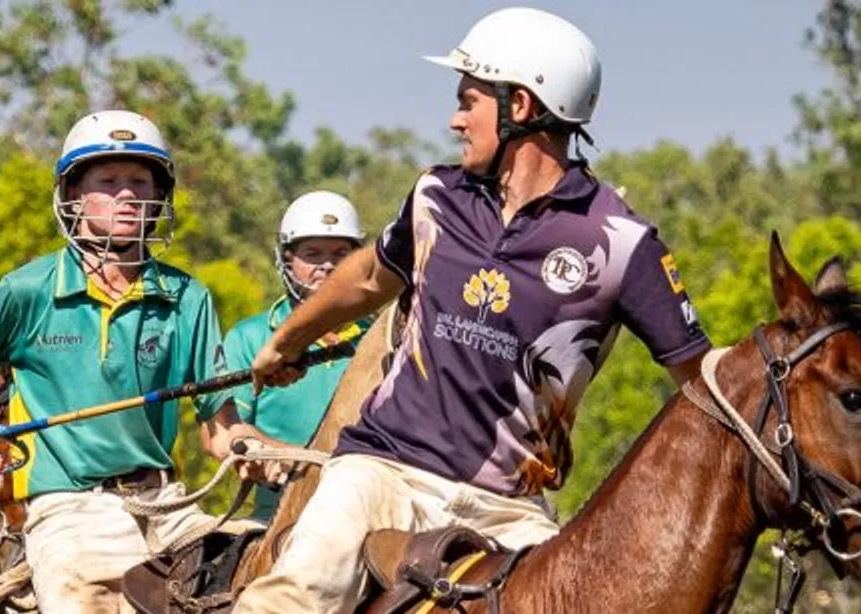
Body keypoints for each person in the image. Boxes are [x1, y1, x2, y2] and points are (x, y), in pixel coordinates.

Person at [231, 8, 715, 613]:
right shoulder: (436, 196)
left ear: (520, 105)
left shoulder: (621, 243)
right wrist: (286, 341)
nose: (455, 119)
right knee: (293, 594)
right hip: (384, 473)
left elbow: (706, 389)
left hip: (513, 508)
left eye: (468, 101)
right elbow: (367, 278)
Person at [0, 110, 225, 613]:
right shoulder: (26, 291)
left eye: (139, 181)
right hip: (68, 509)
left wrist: (253, 448)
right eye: (108, 181)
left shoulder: (188, 297)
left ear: (158, 197)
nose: (127, 194)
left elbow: (222, 427)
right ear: (74, 195)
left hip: (165, 503)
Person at [195, 190, 371, 520]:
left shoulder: (380, 338)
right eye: (313, 254)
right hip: (277, 519)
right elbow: (216, 433)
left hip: (367, 515)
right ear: (287, 260)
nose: (328, 266)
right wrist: (271, 453)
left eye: (340, 254)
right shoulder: (249, 338)